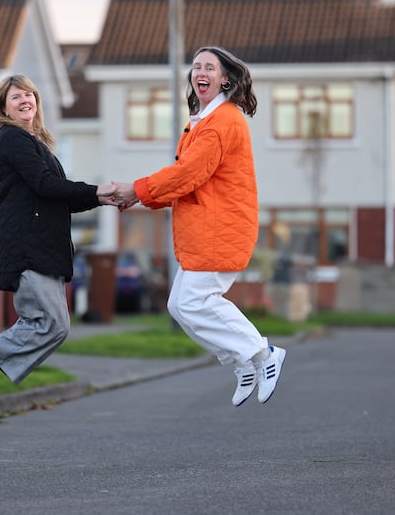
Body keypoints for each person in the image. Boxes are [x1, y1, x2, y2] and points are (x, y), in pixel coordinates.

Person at [113, 46, 286, 406]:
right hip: (207, 229)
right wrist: (140, 196)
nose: (200, 73)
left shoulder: (223, 121)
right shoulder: (203, 121)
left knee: (193, 302)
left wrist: (137, 190)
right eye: (196, 67)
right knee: (180, 305)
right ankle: (242, 361)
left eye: (209, 67)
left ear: (225, 79)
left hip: (219, 231)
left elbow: (187, 174)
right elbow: (187, 182)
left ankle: (262, 353)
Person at [0, 74, 117, 404]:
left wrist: (101, 198)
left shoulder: (35, 144)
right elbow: (45, 185)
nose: (24, 100)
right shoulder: (12, 139)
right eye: (15, 97)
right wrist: (97, 191)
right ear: (4, 108)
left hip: (44, 248)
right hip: (29, 247)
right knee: (49, 322)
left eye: (29, 94)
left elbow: (56, 197)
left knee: (55, 326)